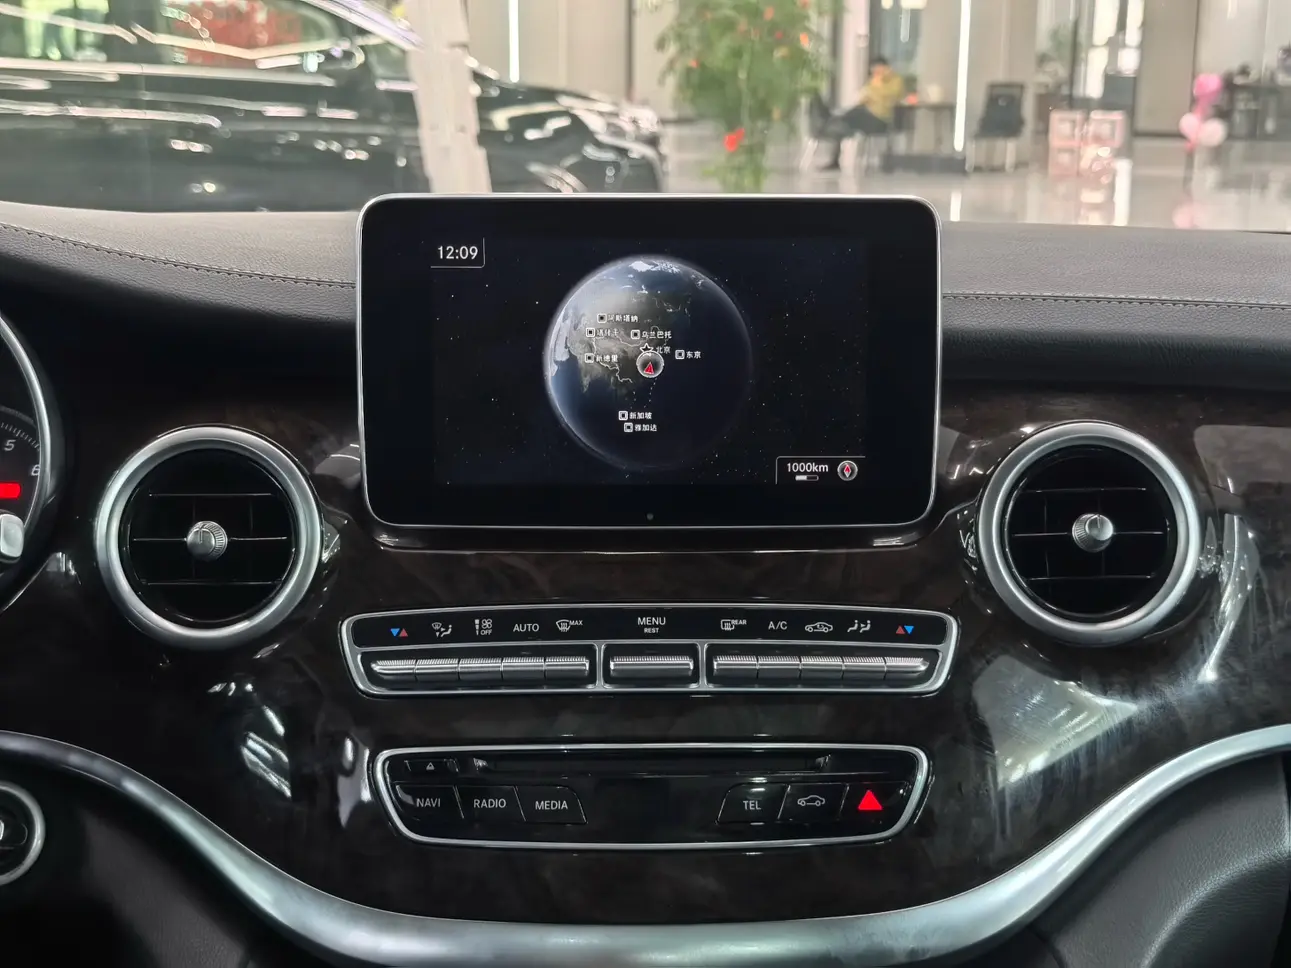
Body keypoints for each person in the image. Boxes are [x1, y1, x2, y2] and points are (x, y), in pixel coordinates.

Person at [820, 57, 906, 171]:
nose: (875, 71)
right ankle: (835, 159)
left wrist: (876, 88)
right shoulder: (874, 80)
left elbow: (892, 96)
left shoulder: (895, 80)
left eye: (877, 68)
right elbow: (864, 96)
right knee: (842, 124)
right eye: (873, 69)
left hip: (881, 119)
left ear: (885, 67)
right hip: (866, 116)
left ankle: (833, 118)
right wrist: (869, 94)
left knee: (848, 116)